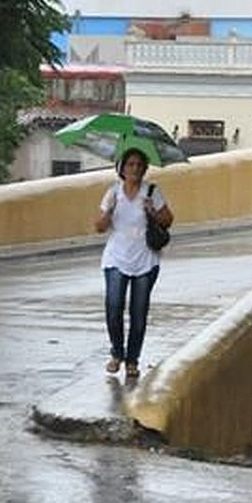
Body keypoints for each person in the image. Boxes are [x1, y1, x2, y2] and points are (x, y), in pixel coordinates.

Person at [94, 148, 173, 379]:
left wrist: (152, 212)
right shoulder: (113, 193)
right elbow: (98, 227)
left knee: (139, 313)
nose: (135, 169)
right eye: (130, 164)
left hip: (145, 259)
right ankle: (117, 353)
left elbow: (168, 220)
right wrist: (109, 212)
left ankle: (132, 360)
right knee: (114, 306)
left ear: (145, 168)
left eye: (139, 165)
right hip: (116, 258)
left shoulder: (152, 191)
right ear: (122, 168)